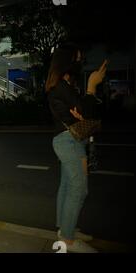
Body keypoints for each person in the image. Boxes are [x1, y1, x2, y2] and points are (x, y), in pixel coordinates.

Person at [46, 44, 107, 253]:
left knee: (66, 186)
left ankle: (65, 229)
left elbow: (81, 112)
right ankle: (68, 239)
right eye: (77, 58)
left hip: (67, 140)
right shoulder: (60, 86)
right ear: (67, 61)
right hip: (69, 141)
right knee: (79, 189)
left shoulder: (60, 85)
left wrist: (81, 109)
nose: (80, 62)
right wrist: (92, 87)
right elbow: (84, 110)